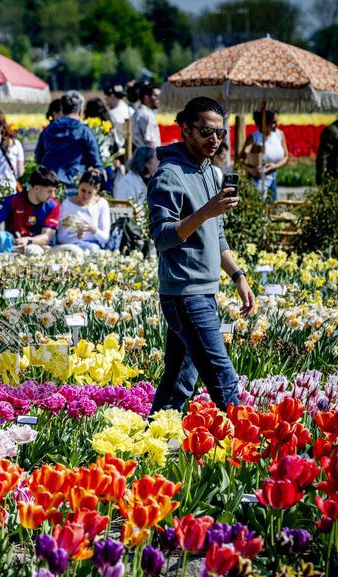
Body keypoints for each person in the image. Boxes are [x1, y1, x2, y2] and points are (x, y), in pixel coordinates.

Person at [148, 96, 255, 413]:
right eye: (206, 132)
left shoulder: (212, 172)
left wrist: (238, 276)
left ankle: (153, 443)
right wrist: (205, 212)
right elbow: (162, 236)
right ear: (185, 129)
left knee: (177, 383)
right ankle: (246, 447)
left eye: (220, 133)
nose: (215, 140)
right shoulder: (169, 175)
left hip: (204, 291)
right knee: (223, 379)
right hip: (184, 294)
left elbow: (216, 236)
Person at [0, 165, 61, 254]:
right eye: (49, 191)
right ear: (36, 188)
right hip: (14, 249)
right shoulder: (13, 200)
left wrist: (28, 240)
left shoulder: (53, 206)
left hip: (41, 250)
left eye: (54, 191)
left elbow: (46, 237)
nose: (53, 195)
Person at [35, 91, 104, 190]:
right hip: (75, 185)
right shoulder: (84, 131)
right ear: (80, 110)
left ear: (62, 109)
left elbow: (39, 156)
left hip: (49, 185)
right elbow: (96, 161)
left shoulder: (48, 130)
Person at [54, 170, 111, 254]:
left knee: (94, 250)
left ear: (97, 190)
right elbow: (61, 237)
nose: (85, 196)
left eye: (90, 192)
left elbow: (105, 237)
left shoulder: (102, 204)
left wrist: (93, 229)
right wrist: (77, 236)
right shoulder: (67, 204)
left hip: (93, 247)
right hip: (71, 246)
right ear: (78, 186)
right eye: (83, 190)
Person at [242, 109, 288, 201]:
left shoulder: (279, 134)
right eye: (273, 122)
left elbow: (286, 156)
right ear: (264, 122)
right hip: (258, 180)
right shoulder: (254, 138)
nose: (276, 125)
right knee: (260, 208)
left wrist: (275, 166)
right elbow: (241, 161)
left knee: (272, 208)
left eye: (276, 121)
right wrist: (252, 170)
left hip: (273, 176)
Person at [132, 83, 161, 151]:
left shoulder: (137, 112)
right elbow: (152, 146)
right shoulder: (148, 116)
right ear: (146, 97)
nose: (159, 99)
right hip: (148, 158)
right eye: (156, 96)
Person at [104, 84, 132, 148]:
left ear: (112, 96)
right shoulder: (131, 110)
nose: (105, 98)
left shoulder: (111, 114)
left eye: (107, 96)